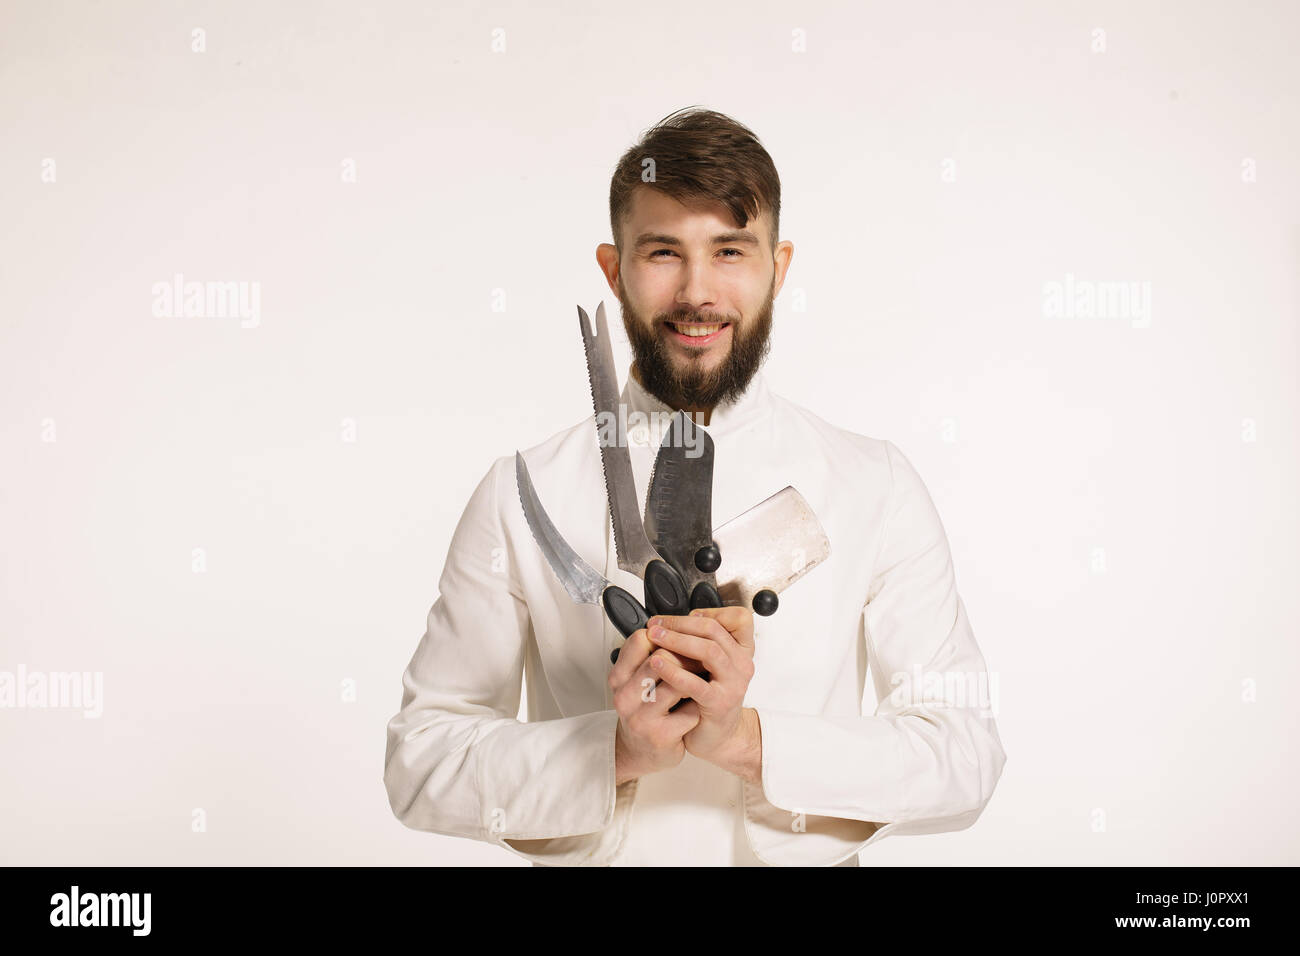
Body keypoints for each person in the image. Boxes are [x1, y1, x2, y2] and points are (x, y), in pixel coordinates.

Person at [383, 107, 1007, 866]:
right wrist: (615, 751)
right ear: (614, 272)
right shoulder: (524, 494)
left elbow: (964, 755)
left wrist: (747, 742)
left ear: (778, 268)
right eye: (663, 252)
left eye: (730, 251)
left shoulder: (874, 485)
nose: (697, 293)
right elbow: (420, 764)